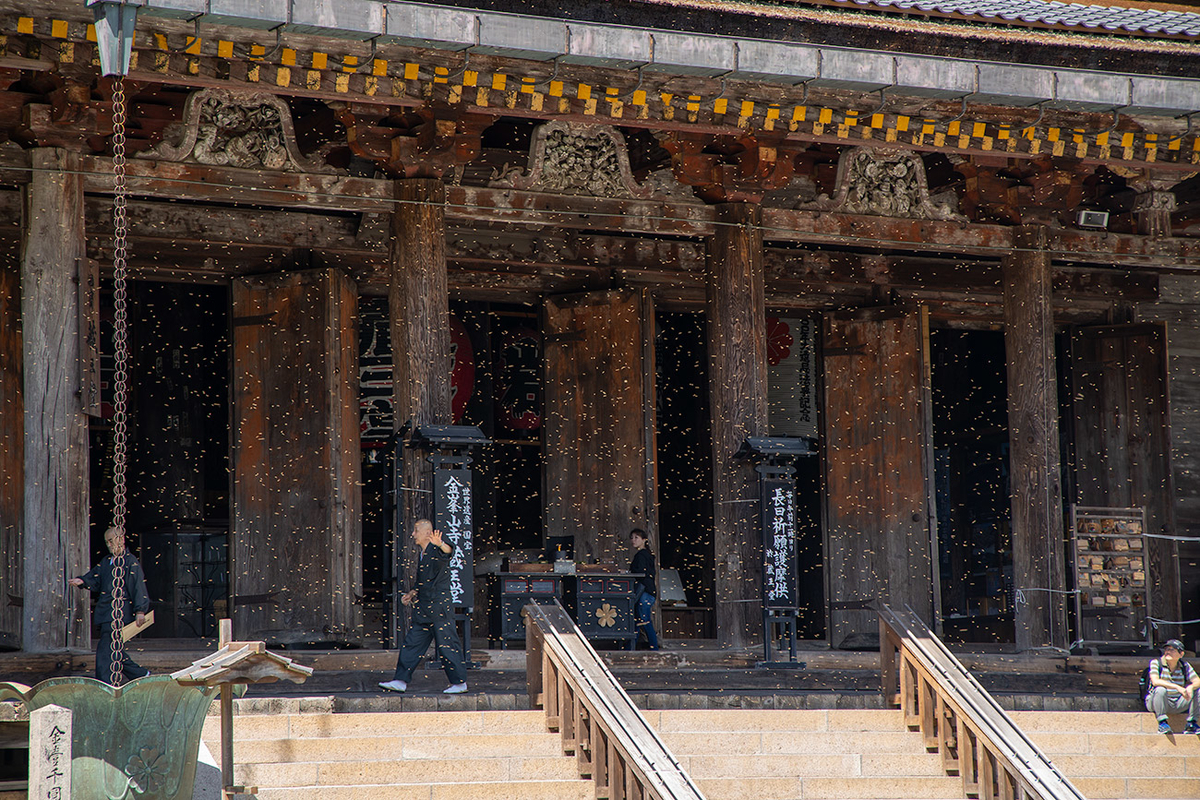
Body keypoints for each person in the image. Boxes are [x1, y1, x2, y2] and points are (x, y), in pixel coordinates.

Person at [379, 519, 468, 694]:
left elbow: (448, 552)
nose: (413, 534)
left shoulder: (436, 549)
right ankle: (401, 680)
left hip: (439, 606)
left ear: (427, 533)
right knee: (412, 642)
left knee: (447, 643)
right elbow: (423, 582)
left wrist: (441, 543)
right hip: (425, 607)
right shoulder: (423, 553)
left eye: (416, 530)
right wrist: (412, 593)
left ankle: (459, 683)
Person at [69, 526, 150, 683]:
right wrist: (83, 581)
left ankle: (104, 683)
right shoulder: (106, 562)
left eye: (112, 540)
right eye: (107, 542)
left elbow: (138, 587)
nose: (110, 545)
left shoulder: (130, 562)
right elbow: (95, 578)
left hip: (120, 613)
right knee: (114, 650)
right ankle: (141, 675)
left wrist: (140, 610)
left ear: (122, 539)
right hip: (106, 612)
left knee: (105, 651)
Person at [1146, 638, 1200, 734]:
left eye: (1172, 650)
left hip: (1177, 702)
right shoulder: (1156, 663)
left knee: (1198, 690)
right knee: (1160, 689)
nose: (1168, 652)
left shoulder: (1185, 665)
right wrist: (1177, 687)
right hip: (1158, 702)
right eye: (1167, 649)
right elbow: (1155, 681)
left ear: (1181, 654)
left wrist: (1191, 687)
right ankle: (1162, 723)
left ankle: (1191, 723)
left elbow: (1197, 681)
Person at [629, 528, 659, 651]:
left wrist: (628, 572)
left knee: (644, 620)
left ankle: (654, 648)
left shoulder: (641, 555)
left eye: (636, 538)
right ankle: (630, 647)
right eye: (632, 538)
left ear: (644, 540)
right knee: (638, 620)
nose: (633, 540)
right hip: (648, 592)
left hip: (645, 592)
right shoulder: (647, 554)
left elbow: (641, 572)